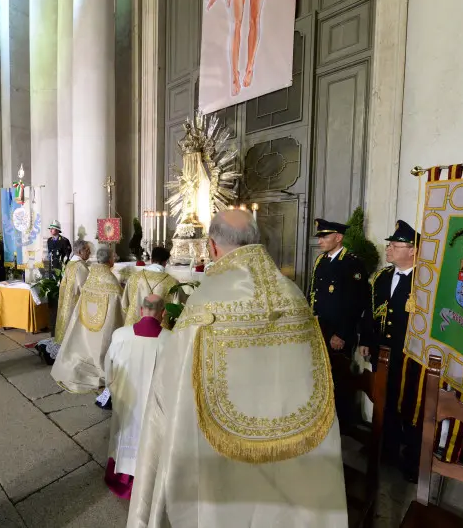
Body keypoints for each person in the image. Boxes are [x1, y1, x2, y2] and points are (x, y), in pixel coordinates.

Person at [127, 210, 347, 527]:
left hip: (220, 464)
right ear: (256, 240)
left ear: (213, 247)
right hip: (293, 455)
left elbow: (171, 388)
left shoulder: (206, 303)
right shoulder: (294, 296)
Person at [359, 220, 421, 482]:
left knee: (410, 407)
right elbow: (371, 311)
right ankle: (387, 451)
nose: (389, 249)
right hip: (382, 354)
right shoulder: (383, 277)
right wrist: (366, 340)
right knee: (385, 402)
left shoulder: (425, 281)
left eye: (395, 245)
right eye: (389, 245)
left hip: (411, 357)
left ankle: (413, 461)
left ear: (412, 251)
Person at [103, 294, 171, 499]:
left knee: (122, 435)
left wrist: (115, 391)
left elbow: (109, 370)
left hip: (126, 402)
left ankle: (122, 476)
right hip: (155, 404)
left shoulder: (120, 335)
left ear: (141, 310)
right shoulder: (171, 340)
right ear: (163, 313)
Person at [51, 247, 125, 393]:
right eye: (113, 257)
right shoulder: (111, 282)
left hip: (86, 325)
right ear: (110, 261)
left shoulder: (91, 276)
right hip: (104, 327)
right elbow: (120, 306)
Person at [309, 218, 369, 354]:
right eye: (319, 237)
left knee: (338, 372)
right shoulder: (321, 260)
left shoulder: (352, 263)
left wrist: (341, 334)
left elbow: (357, 303)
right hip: (320, 327)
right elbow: (314, 291)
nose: (319, 241)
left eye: (324, 237)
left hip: (339, 333)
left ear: (338, 237)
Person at [122, 247, 178, 328]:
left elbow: (125, 304)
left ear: (151, 260)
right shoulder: (172, 282)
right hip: (159, 331)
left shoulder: (134, 278)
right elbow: (177, 310)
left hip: (133, 328)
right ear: (165, 262)